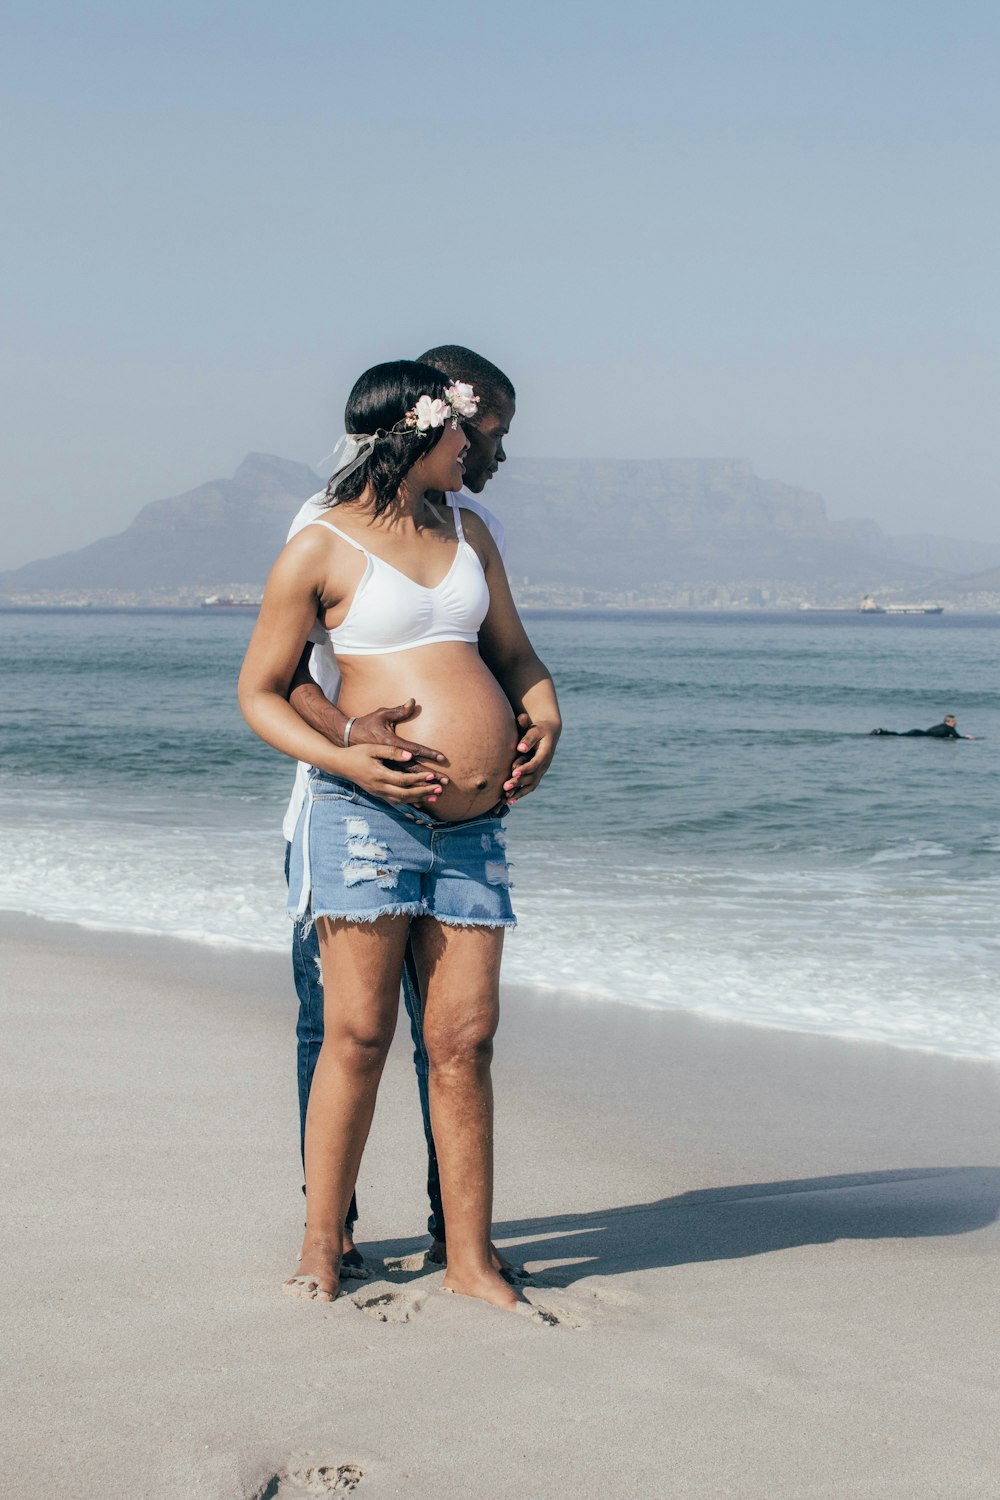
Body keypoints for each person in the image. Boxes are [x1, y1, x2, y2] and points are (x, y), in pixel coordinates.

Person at [239, 360, 561, 1310]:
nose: (479, 445)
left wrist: (544, 716)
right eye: (463, 430)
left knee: (464, 1042)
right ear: (412, 436)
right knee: (357, 1033)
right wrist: (347, 752)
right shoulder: (320, 542)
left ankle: (468, 1258)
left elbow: (514, 654)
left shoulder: (472, 535)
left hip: (474, 827)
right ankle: (321, 1247)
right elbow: (263, 687)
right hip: (363, 815)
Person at [869, 714, 974, 739]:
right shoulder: (949, 728)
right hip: (920, 735)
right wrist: (967, 737)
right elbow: (956, 737)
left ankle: (881, 732)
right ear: (950, 722)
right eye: (954, 721)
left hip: (919, 732)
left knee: (900, 735)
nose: (955, 723)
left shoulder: (941, 726)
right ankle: (882, 732)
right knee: (900, 736)